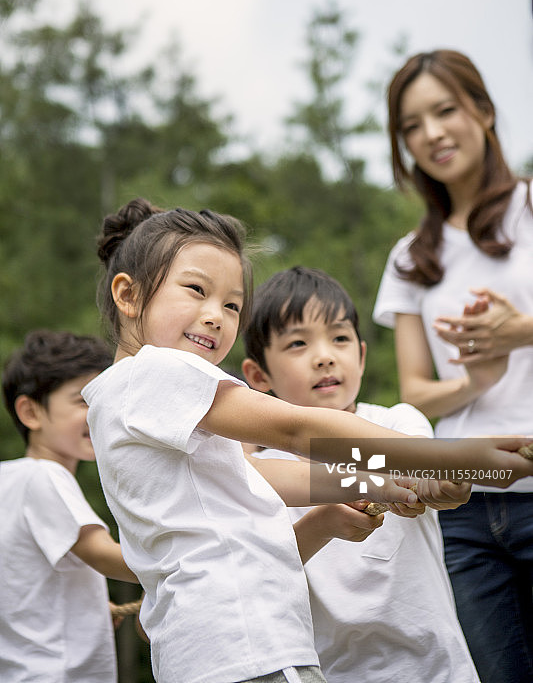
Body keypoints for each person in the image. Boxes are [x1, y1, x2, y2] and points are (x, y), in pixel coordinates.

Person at [83, 197, 533, 683]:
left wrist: (382, 481)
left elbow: (266, 476)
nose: (216, 316)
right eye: (196, 290)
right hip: (243, 647)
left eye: (232, 305)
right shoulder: (156, 372)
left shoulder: (130, 398)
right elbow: (296, 429)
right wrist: (446, 457)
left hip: (226, 649)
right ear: (127, 296)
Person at [373, 48, 533, 683]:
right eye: (412, 125)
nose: (431, 134)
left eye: (445, 111)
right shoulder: (410, 257)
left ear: (485, 111)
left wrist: (514, 331)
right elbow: (413, 391)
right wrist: (474, 381)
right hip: (462, 507)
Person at [242, 265, 481, 683]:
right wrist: (323, 523)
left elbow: (426, 471)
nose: (324, 355)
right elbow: (261, 573)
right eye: (298, 343)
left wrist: (445, 481)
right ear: (258, 376)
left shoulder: (398, 423)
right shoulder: (262, 474)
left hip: (436, 669)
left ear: (362, 354)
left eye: (339, 338)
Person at [0, 329, 139, 683]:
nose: (100, 414)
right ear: (30, 412)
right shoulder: (45, 476)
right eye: (83, 401)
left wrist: (87, 608)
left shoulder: (10, 481)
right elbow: (104, 556)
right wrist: (190, 564)